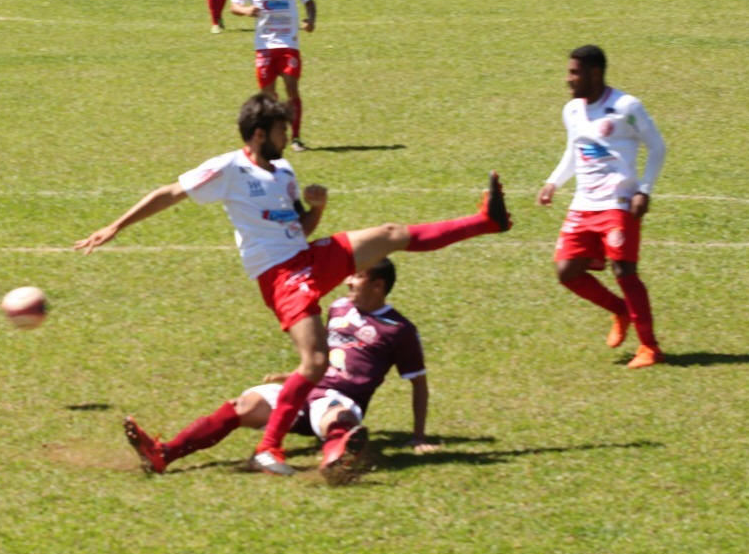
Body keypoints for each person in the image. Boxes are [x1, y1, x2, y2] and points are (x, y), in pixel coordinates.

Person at [74, 92, 511, 476]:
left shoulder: (283, 172)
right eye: (284, 129)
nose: (289, 137)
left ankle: (486, 221)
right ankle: (267, 448)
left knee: (391, 234)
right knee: (316, 361)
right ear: (261, 133)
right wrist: (115, 226)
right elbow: (169, 193)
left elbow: (298, 228)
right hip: (280, 276)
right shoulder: (227, 167)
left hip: (306, 257)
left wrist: (317, 209)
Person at [122, 257, 441, 485]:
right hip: (304, 390)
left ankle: (336, 461)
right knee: (242, 406)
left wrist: (418, 436)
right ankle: (164, 454)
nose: (348, 280)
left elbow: (419, 384)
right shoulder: (339, 308)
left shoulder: (399, 330)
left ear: (378, 285)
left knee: (338, 417)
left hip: (341, 400)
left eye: (356, 276)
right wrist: (293, 376)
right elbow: (324, 356)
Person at [537, 45, 667, 369]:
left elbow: (657, 147)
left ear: (595, 74)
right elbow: (575, 149)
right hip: (584, 204)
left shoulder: (626, 106)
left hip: (619, 203)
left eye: (574, 73)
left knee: (624, 270)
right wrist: (554, 182)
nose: (568, 80)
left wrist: (645, 191)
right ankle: (621, 310)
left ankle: (650, 347)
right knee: (567, 271)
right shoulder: (572, 110)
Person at [230, 0, 316, 151]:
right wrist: (246, 10)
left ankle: (296, 137)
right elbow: (234, 5)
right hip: (265, 46)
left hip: (288, 43)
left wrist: (310, 20)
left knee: (292, 88)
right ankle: (271, 136)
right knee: (268, 96)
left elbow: (309, 1)